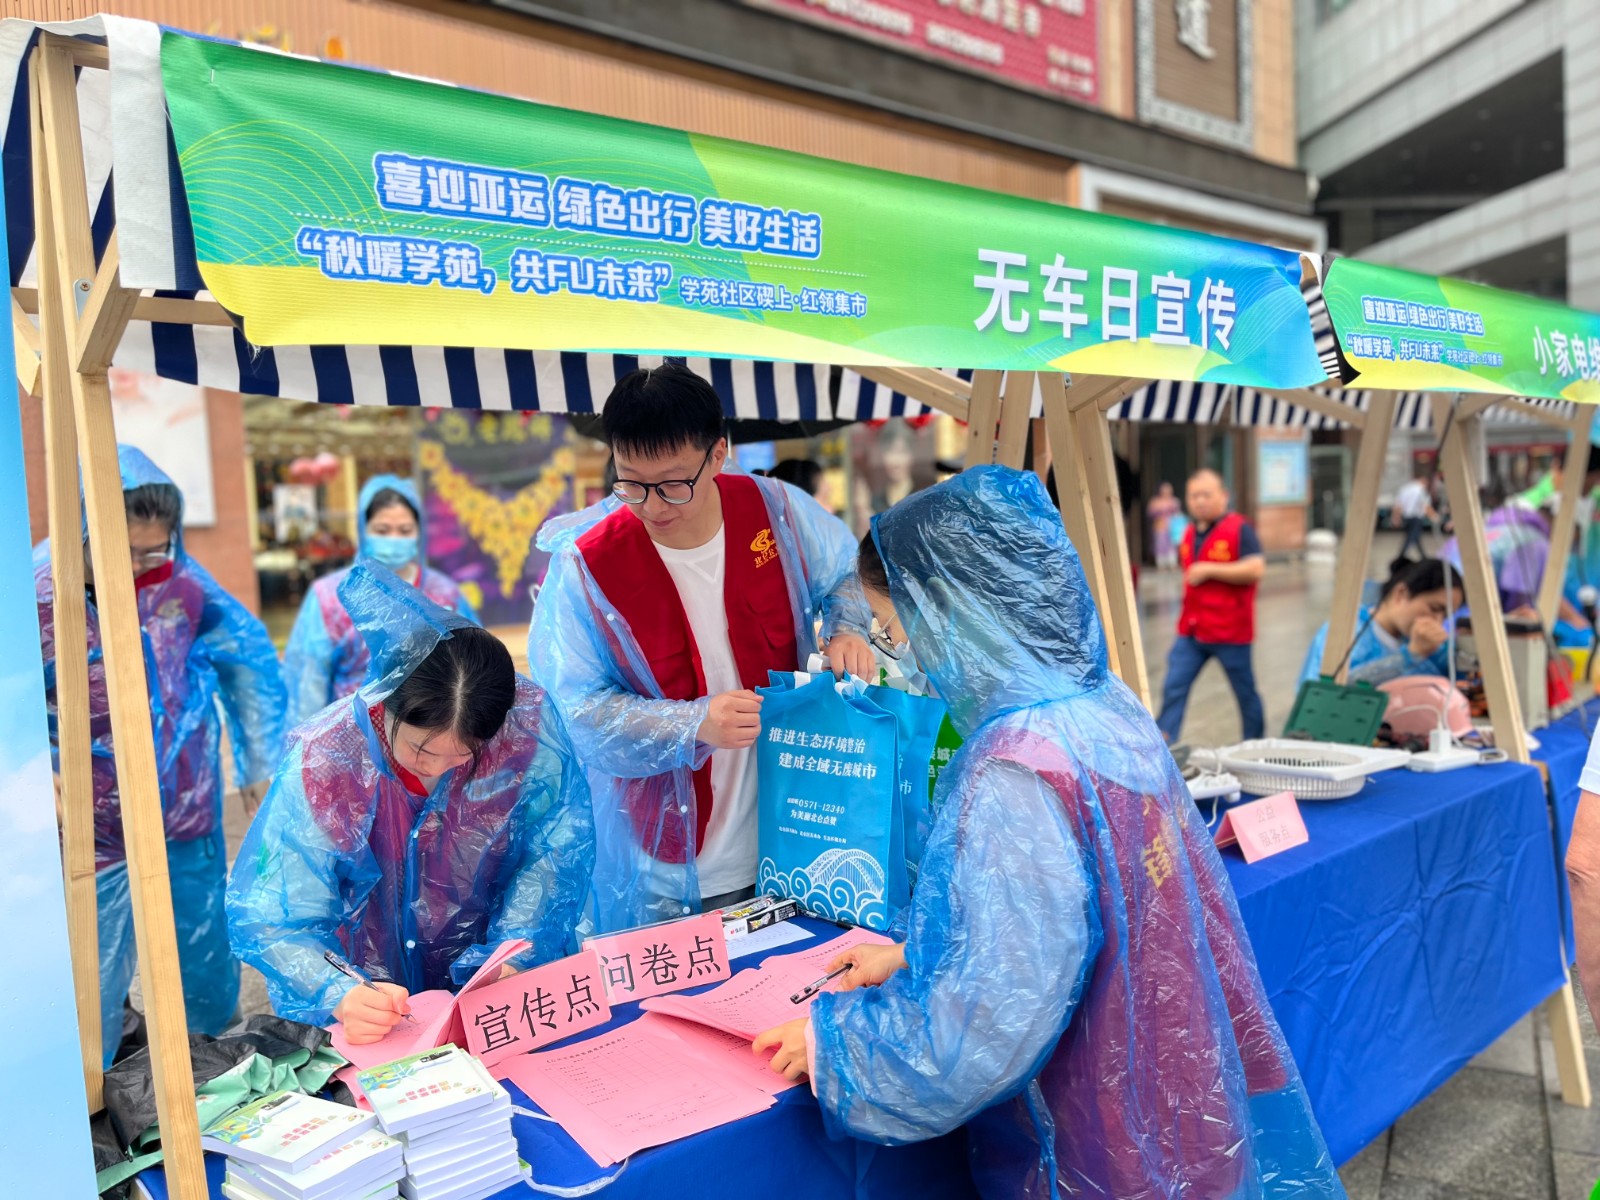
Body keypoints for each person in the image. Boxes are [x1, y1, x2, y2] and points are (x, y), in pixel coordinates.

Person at [752, 467, 1341, 1198]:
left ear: (947, 608)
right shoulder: (1104, 703)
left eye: (891, 628)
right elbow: (1087, 915)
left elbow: (992, 1026)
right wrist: (914, 954)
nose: (901, 652)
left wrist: (838, 1047)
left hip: (1100, 1138)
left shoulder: (1015, 768)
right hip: (1172, 1098)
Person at [530, 363, 873, 930]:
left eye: (673, 484)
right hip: (667, 868)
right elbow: (576, 712)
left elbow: (844, 573)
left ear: (718, 454)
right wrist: (692, 725)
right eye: (631, 483)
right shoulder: (586, 568)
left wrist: (846, 628)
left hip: (797, 829)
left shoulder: (776, 513)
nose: (653, 506)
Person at [227, 565, 592, 1039]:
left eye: (464, 753)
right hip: (371, 1008)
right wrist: (336, 990)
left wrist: (516, 951)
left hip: (488, 1000)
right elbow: (274, 915)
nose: (439, 767)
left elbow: (553, 855)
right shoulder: (327, 759)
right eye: (422, 750)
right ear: (386, 706)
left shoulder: (527, 732)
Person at [36, 446, 285, 1067]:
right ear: (84, 529)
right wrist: (37, 766)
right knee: (91, 970)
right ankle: (94, 1079)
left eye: (152, 552)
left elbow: (248, 659)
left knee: (202, 952)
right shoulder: (39, 594)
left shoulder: (180, 580)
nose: (138, 568)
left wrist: (257, 761)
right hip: (92, 822)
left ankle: (210, 1064)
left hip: (184, 805)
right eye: (122, 551)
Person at [283, 475, 479, 727]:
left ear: (418, 533)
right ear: (363, 531)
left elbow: (473, 669)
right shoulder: (330, 596)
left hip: (429, 735)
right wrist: (306, 743)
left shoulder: (444, 593)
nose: (394, 539)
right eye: (382, 531)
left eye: (404, 531)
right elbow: (307, 685)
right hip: (349, 736)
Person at [1156, 469, 1266, 744]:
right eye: (1194, 496)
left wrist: (1209, 569)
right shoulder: (1189, 532)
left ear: (1224, 496)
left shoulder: (1240, 528)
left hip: (1231, 631)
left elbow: (1255, 568)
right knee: (1173, 685)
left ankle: (1255, 744)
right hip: (1192, 630)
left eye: (1206, 495)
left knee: (1245, 693)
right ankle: (1164, 745)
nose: (1200, 501)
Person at [1297, 557, 1463, 686]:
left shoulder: (1430, 644)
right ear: (1401, 593)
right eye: (1434, 608)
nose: (1438, 621)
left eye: (1446, 616)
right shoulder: (1343, 633)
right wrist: (1410, 656)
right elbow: (1326, 695)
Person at [1391, 471, 1436, 560]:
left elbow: (1398, 505)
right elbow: (1425, 505)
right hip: (1416, 517)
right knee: (1412, 536)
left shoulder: (1404, 489)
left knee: (1416, 536)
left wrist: (1396, 517)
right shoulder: (1421, 490)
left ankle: (1423, 557)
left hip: (1406, 517)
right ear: (1423, 480)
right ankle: (1401, 556)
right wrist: (1433, 516)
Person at [1147, 482, 1182, 569]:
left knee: (1172, 545)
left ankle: (1172, 563)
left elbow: (1178, 514)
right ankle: (1161, 564)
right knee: (1160, 544)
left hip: (1172, 527)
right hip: (1159, 526)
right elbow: (1150, 513)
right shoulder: (1155, 501)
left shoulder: (1174, 501)